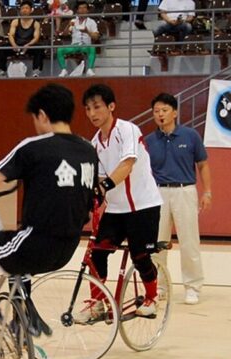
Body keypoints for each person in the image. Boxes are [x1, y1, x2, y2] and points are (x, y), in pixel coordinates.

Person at [0, 83, 97, 313]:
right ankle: (22, 316)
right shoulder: (89, 150)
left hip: (34, 246)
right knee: (17, 245)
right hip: (68, 248)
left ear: (42, 115)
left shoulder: (33, 147)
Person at [81, 83, 163, 320]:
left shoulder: (128, 130)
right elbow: (97, 178)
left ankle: (152, 297)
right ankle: (97, 302)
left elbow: (127, 165)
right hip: (116, 210)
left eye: (97, 107)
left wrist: (104, 186)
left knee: (140, 255)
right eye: (88, 109)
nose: (92, 113)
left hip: (143, 206)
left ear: (111, 106)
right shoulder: (95, 143)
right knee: (97, 253)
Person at [145, 92, 211, 305]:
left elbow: (203, 164)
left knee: (189, 241)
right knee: (157, 243)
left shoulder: (190, 136)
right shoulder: (149, 141)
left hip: (185, 191)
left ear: (174, 112)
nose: (160, 114)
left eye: (164, 110)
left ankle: (193, 287)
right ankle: (159, 286)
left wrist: (207, 192)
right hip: (158, 194)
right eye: (156, 111)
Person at [0, 0, 43, 78]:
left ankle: (36, 71)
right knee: (2, 48)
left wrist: (28, 45)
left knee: (40, 49)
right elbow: (11, 35)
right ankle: (1, 70)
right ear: (20, 10)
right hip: (16, 44)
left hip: (29, 45)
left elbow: (36, 38)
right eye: (23, 8)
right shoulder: (15, 21)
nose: (24, 10)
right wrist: (14, 45)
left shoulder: (36, 23)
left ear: (31, 10)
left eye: (27, 8)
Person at [57, 1, 100, 77]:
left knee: (92, 48)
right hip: (74, 46)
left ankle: (90, 69)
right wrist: (68, 26)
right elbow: (65, 34)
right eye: (80, 8)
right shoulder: (73, 21)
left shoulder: (91, 22)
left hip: (85, 46)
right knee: (60, 50)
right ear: (77, 10)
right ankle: (64, 70)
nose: (82, 10)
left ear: (87, 10)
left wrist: (87, 32)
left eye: (84, 8)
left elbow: (96, 37)